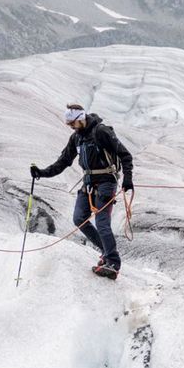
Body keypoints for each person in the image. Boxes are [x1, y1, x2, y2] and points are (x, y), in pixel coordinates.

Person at [30, 104, 134, 279]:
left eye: (72, 123)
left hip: (106, 182)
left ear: (81, 119)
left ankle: (113, 264)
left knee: (102, 224)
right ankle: (106, 252)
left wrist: (128, 178)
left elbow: (125, 155)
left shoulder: (101, 132)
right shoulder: (76, 138)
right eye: (68, 123)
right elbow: (63, 162)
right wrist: (41, 173)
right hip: (88, 184)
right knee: (79, 218)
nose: (70, 126)